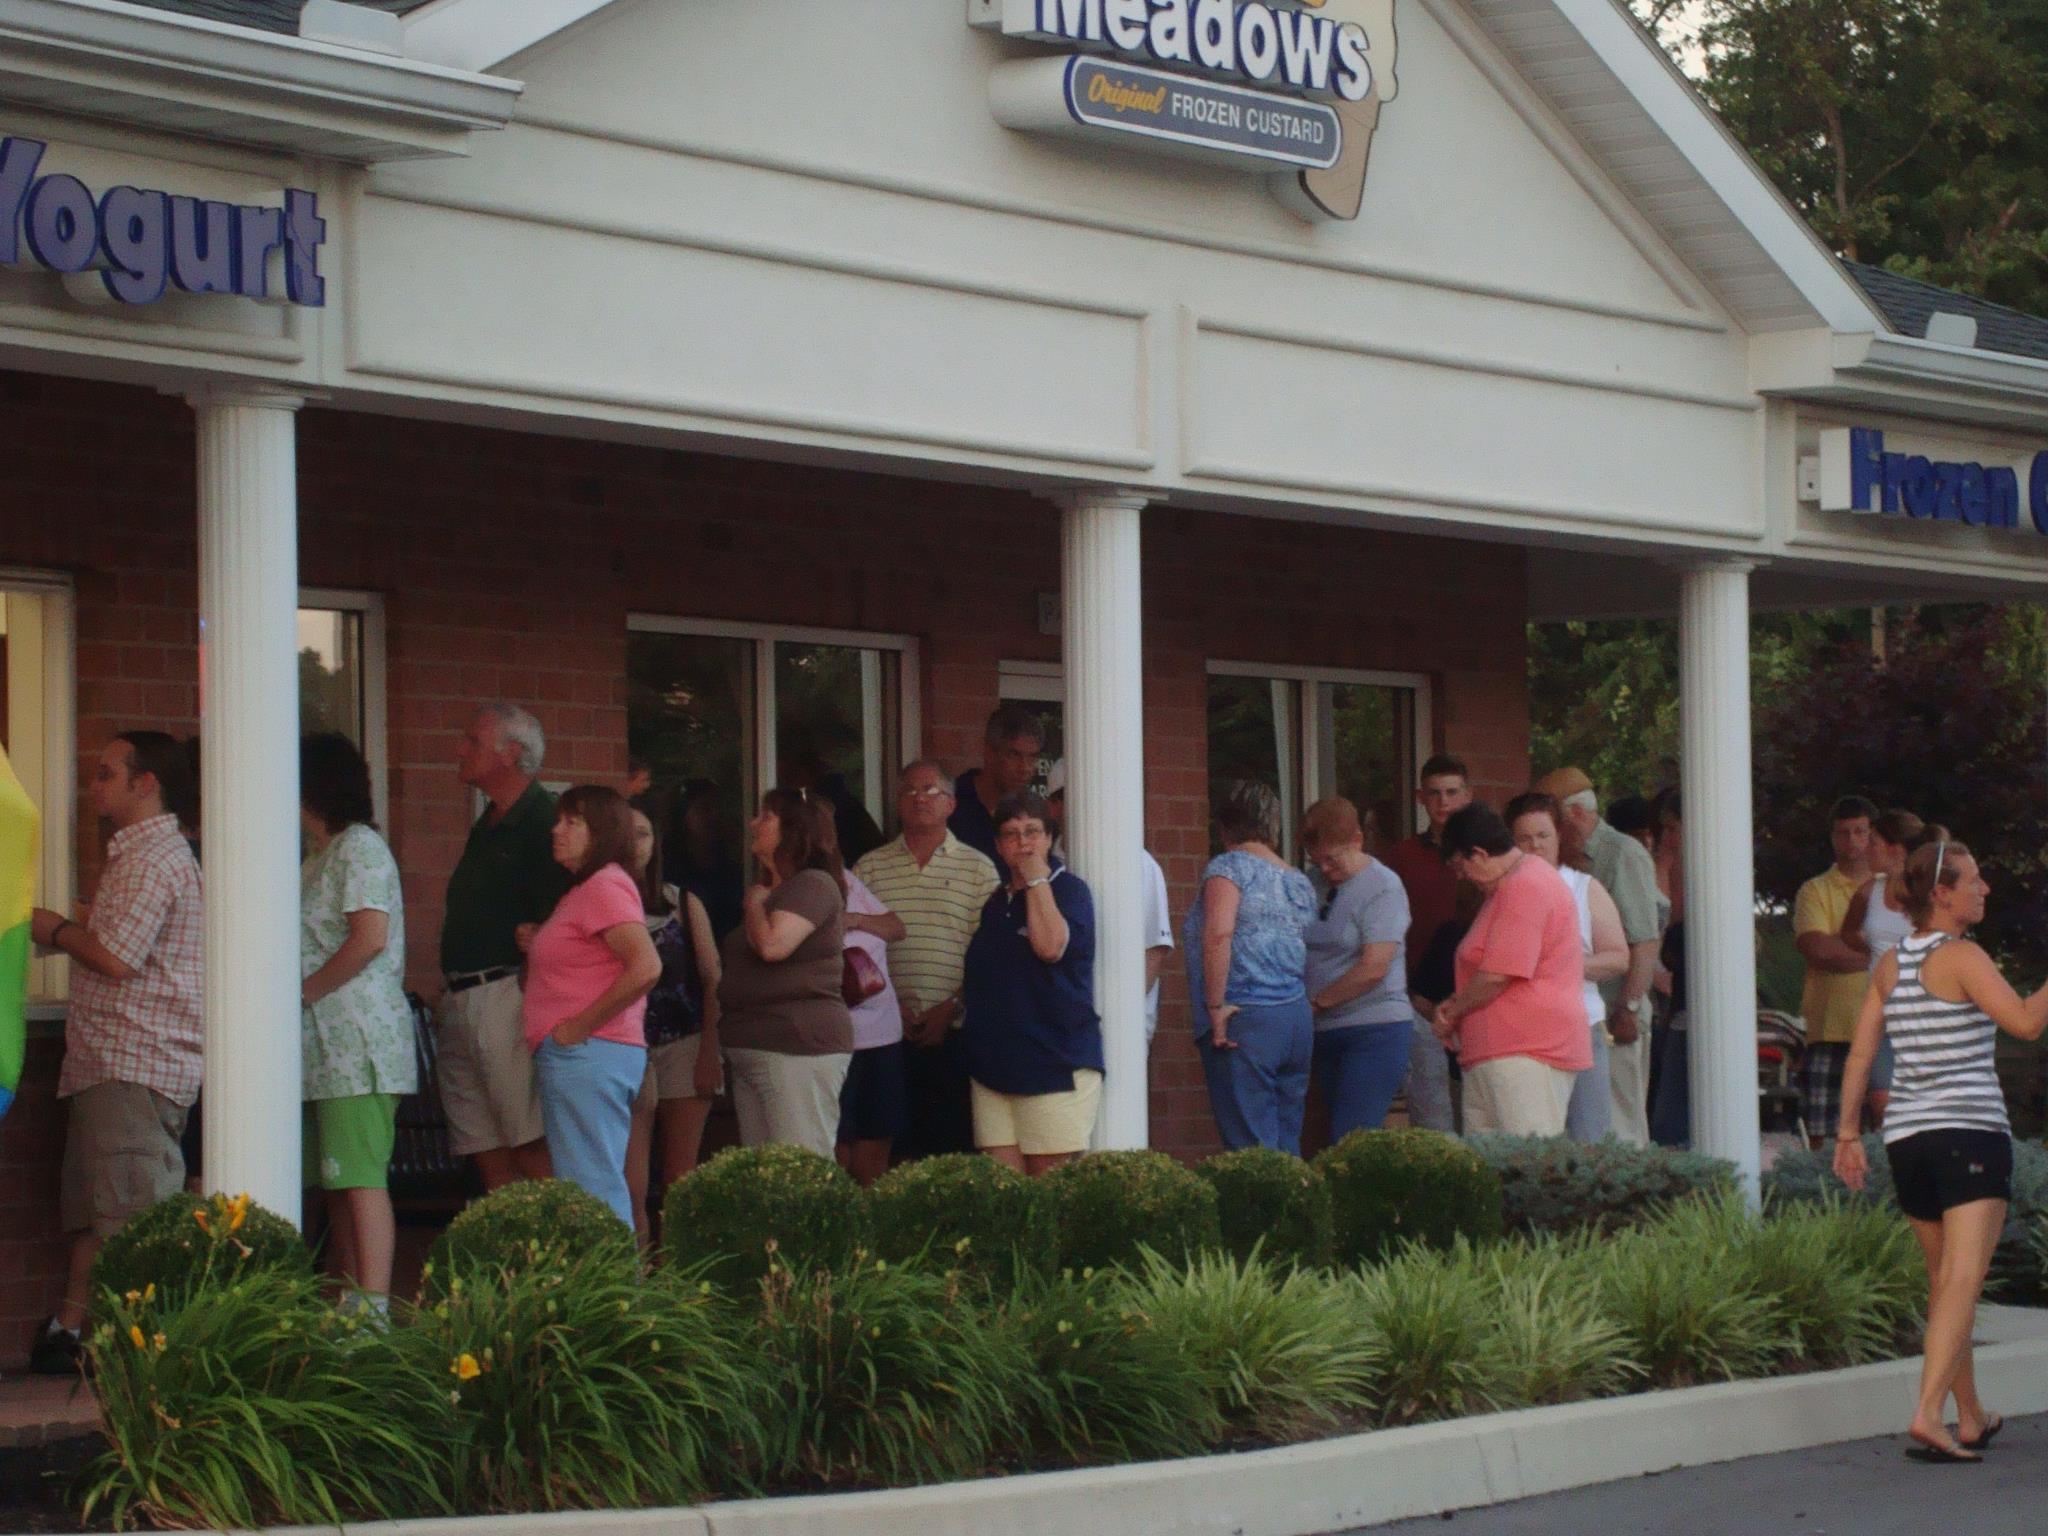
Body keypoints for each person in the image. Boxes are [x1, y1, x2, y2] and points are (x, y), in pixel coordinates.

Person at [1835, 839, 2047, 1463]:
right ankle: (1929, 1414)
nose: (1985, 890)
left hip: (1908, 1140)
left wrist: (1848, 1135)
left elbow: (1860, 1053)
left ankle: (1972, 1415)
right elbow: (2027, 1024)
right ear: (1942, 894)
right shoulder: (1963, 956)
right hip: (1969, 1133)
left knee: (1944, 1283)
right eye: (1975, 880)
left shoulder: (1891, 963)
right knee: (1962, 1278)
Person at [29, 732, 202, 1373]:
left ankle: (146, 1357)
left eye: (106, 774)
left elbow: (118, 959)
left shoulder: (154, 860)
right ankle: (69, 1332)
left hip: (136, 1062)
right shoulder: (140, 857)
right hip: (111, 1062)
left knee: (128, 1219)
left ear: (145, 783)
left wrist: (53, 927)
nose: (93, 785)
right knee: (99, 1213)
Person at [296, 733, 417, 1308]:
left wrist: (304, 992)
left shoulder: (361, 848)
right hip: (325, 1049)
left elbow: (370, 937)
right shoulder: (319, 856)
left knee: (361, 1176)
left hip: (358, 1044)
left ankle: (372, 1310)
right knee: (336, 1180)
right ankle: (347, 1301)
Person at [439, 703, 570, 1191]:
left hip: (508, 992)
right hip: (461, 996)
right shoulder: (489, 820)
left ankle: (567, 1262)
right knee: (483, 1148)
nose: (460, 750)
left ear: (511, 753)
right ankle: (514, 1264)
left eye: (473, 741)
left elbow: (568, 910)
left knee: (529, 1144)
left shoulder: (545, 819)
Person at [520, 786, 658, 1225]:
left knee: (591, 1187)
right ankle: (606, 1288)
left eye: (571, 821)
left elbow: (646, 966)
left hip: (589, 1051)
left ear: (601, 832)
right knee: (586, 1183)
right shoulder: (588, 890)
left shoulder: (605, 885)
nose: (556, 829)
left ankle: (609, 1292)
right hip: (585, 1053)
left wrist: (574, 1029)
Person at [855, 761, 1001, 1160]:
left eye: (930, 789)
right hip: (885, 1033)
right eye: (909, 790)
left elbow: (991, 954)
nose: (918, 798)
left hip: (955, 1033)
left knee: (951, 1151)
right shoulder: (869, 867)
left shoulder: (979, 868)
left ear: (951, 804)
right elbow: (855, 951)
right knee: (893, 1153)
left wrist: (954, 1006)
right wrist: (887, 1007)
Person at [961, 790, 1102, 1175]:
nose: (1022, 843)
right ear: (997, 846)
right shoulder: (996, 902)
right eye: (1011, 834)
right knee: (1006, 1196)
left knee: (1049, 1193)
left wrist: (1037, 880)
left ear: (1050, 838)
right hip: (994, 1066)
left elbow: (1050, 947)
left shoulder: (1070, 890)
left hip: (1052, 1060)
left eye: (1032, 831)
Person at [1432, 803, 1592, 1137]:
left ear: (1478, 853)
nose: (1461, 878)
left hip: (1527, 1052)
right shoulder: (1508, 887)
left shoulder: (1526, 884)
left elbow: (1498, 974)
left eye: (1460, 867)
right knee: (1492, 1175)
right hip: (1498, 1053)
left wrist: (1453, 1012)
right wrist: (1456, 1006)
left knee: (1527, 1167)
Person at [718, 788, 854, 1156]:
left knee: (799, 1171)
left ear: (794, 829)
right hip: (754, 1047)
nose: (752, 823)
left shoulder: (813, 884)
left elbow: (774, 946)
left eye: (766, 816)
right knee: (766, 1180)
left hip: (796, 1047)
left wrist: (754, 904)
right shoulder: (773, 891)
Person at [1185, 780, 1317, 1154]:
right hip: (1294, 1017)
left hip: (1245, 1014)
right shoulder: (1298, 880)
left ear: (1224, 826)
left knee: (1250, 1148)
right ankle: (1294, 1212)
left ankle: (1263, 1214)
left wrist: (1215, 1009)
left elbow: (1218, 935)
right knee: (1286, 1139)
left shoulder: (1228, 868)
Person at [1537, 767, 1661, 1146]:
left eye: (1553, 819)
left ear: (1574, 814)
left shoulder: (1623, 852)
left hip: (1618, 1012)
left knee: (1621, 1125)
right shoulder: (1576, 857)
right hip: (1586, 1015)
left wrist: (1631, 1007)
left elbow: (1645, 939)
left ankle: (1634, 1205)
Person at [622, 805, 722, 1242]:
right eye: (625, 833)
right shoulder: (600, 904)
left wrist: (709, 1052)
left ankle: (679, 1285)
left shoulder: (682, 901)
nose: (635, 843)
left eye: (644, 833)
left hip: (685, 1043)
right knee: (632, 1184)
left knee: (681, 1181)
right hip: (626, 1049)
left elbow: (712, 979)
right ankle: (637, 1281)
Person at [1506, 792, 1628, 1143]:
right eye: (1524, 839)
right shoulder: (1502, 892)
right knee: (1532, 1142)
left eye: (1543, 836)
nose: (1535, 846)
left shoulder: (1584, 888)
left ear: (1560, 836)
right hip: (1523, 1033)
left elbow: (1618, 957)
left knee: (1590, 1139)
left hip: (1581, 1024)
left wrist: (1562, 966)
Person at [1301, 797, 1413, 1139]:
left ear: (1358, 841)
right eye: (1317, 861)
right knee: (1322, 1135)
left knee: (1352, 1136)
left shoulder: (1383, 887)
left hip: (1374, 1028)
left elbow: (1374, 967)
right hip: (1322, 1032)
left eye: (1333, 859)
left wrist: (1317, 1003)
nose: (1325, 870)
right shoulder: (1312, 884)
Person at [814, 802, 909, 1186]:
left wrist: (852, 920)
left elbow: (895, 926)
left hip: (881, 1034)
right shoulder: (791, 888)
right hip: (836, 1037)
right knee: (835, 1148)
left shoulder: (848, 880)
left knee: (876, 1142)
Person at [1046, 775, 1175, 1040]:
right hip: (1057, 1027)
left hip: (1119, 1029)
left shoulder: (1139, 862)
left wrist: (1122, 1015)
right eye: (1070, 796)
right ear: (1054, 805)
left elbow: (1155, 948)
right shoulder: (1044, 865)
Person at [1385, 755, 1472, 1133]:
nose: (1443, 803)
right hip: (1420, 999)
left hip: (1478, 994)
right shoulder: (1403, 857)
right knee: (1434, 1113)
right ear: (1421, 798)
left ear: (1468, 795)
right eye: (1434, 794)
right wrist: (1405, 988)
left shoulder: (1487, 853)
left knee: (1480, 1110)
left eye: (1452, 793)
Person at [1841, 809, 1937, 1124]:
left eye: (1873, 843)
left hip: (1925, 1014)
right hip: (1881, 1013)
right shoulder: (1869, 890)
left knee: (1924, 1105)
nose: (1866, 850)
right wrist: (1874, 951)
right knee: (1883, 1103)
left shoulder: (1927, 894)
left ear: (1895, 849)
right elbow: (1848, 931)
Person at [1794, 794, 1879, 1146]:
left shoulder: (1893, 890)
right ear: (1832, 838)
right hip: (1830, 1027)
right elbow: (1819, 950)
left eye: (1860, 832)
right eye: (1844, 833)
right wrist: (1881, 956)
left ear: (1874, 836)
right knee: (1824, 1131)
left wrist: (1848, 950)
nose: (1853, 841)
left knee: (1883, 1128)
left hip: (1884, 1026)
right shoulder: (1815, 890)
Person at [949, 704, 1045, 879]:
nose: (1025, 768)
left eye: (1032, 758)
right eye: (1014, 755)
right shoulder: (950, 804)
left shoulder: (1034, 813)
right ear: (989, 752)